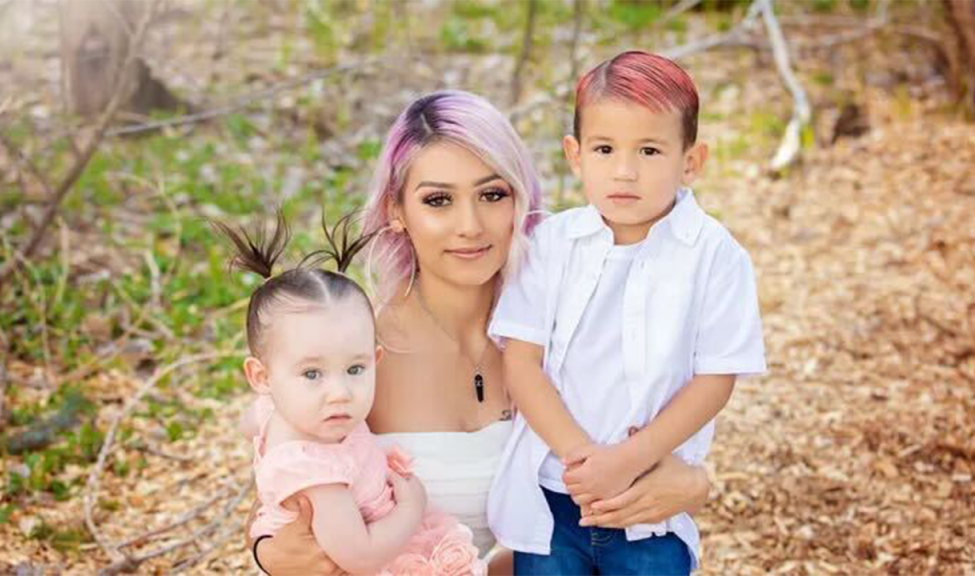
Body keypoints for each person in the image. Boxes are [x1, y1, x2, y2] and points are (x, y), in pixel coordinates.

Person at [252, 90, 713, 576]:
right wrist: (267, 548)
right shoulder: (353, 352)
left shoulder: (565, 335)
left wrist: (693, 484)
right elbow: (280, 497)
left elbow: (598, 505)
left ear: (520, 198)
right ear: (396, 210)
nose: (470, 226)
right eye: (438, 200)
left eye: (492, 195)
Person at [487, 51, 767, 575]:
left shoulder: (715, 255)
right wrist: (582, 460)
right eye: (604, 148)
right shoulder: (551, 244)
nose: (624, 171)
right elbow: (522, 362)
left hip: (648, 503)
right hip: (555, 496)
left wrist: (628, 460)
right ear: (575, 155)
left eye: (650, 150)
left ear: (691, 161)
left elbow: (715, 380)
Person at [222, 212, 485, 575]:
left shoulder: (278, 407)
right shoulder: (316, 474)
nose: (340, 393)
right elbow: (362, 556)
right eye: (312, 374)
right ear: (261, 376)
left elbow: (249, 423)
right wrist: (411, 507)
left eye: (355, 369)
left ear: (376, 360)